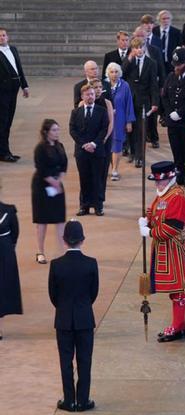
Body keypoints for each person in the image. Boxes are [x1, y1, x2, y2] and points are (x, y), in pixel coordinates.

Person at [138, 161, 185, 343]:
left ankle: (178, 328)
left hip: (174, 247)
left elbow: (174, 226)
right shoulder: (163, 195)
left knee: (177, 290)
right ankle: (178, 326)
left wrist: (150, 232)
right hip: (163, 247)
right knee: (175, 291)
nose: (158, 185)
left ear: (171, 178)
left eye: (161, 182)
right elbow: (156, 213)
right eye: (156, 182)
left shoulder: (177, 197)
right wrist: (147, 220)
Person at [48, 220, 98, 413]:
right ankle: (83, 400)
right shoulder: (91, 264)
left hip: (63, 319)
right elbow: (93, 292)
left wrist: (63, 309)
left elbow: (53, 295)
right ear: (82, 240)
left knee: (65, 361)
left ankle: (69, 401)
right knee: (85, 361)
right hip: (85, 318)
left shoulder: (56, 265)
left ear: (64, 240)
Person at [160, 48, 185, 188]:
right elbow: (165, 97)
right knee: (175, 148)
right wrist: (170, 112)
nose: (177, 68)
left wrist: (180, 113)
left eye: (179, 65)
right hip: (172, 122)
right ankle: (179, 172)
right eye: (175, 65)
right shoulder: (170, 77)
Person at [31, 119, 68, 264]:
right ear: (46, 132)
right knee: (42, 220)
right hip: (42, 186)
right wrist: (54, 182)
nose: (57, 132)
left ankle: (62, 251)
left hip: (57, 185)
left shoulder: (60, 146)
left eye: (58, 129)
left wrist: (59, 180)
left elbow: (64, 164)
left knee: (60, 219)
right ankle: (40, 252)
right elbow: (41, 169)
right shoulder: (40, 148)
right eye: (54, 130)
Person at [69, 86, 109, 217]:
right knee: (84, 178)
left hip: (97, 150)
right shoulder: (76, 112)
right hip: (81, 151)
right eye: (87, 95)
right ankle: (84, 206)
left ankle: (98, 206)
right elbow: (72, 130)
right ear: (82, 97)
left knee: (97, 179)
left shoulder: (102, 111)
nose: (90, 96)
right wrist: (84, 144)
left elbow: (104, 129)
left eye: (92, 94)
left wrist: (93, 144)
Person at [122, 38, 159, 167]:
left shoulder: (151, 63)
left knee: (141, 129)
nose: (138, 50)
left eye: (140, 47)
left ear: (144, 48)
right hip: (130, 100)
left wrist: (155, 102)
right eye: (136, 48)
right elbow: (122, 74)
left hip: (144, 101)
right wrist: (129, 59)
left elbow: (154, 84)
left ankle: (140, 157)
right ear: (132, 49)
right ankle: (132, 152)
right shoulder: (129, 62)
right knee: (130, 129)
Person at [0, 27, 30, 163]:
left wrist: (25, 85)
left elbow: (19, 68)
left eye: (3, 35)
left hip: (14, 90)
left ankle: (6, 151)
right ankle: (3, 152)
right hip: (2, 92)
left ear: (7, 37)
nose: (2, 38)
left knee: (9, 121)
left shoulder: (13, 49)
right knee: (3, 121)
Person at [104, 63, 135, 182]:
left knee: (117, 145)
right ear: (108, 73)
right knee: (106, 144)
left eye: (116, 72)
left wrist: (129, 121)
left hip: (120, 119)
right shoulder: (104, 85)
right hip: (106, 120)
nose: (114, 74)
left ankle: (115, 169)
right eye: (112, 72)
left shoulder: (125, 85)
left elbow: (129, 104)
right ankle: (106, 168)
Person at [0, 179, 23, 339]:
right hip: (6, 249)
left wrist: (8, 247)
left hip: (5, 253)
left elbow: (15, 233)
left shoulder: (9, 210)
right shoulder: (8, 210)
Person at [153, 10, 183, 76]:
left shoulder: (176, 32)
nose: (166, 21)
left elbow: (179, 47)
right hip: (157, 62)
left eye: (168, 18)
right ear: (159, 20)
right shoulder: (154, 31)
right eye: (163, 19)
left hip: (171, 62)